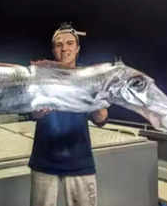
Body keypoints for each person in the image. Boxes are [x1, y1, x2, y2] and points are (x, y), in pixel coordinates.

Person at [29, 23, 108, 206]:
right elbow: (32, 113)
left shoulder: (90, 77)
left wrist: (96, 101)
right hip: (44, 161)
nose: (64, 48)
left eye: (70, 43)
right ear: (53, 50)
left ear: (78, 48)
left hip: (80, 162)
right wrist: (38, 111)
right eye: (59, 44)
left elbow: (101, 119)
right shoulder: (41, 77)